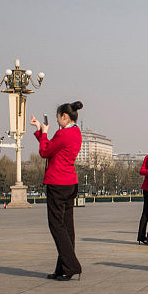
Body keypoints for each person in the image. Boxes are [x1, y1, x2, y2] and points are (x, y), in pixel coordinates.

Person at [30, 101, 84, 281]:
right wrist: (40, 130)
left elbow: (45, 151)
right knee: (67, 226)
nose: (57, 120)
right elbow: (51, 147)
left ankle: (71, 265)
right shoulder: (75, 132)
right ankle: (63, 268)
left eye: (58, 117)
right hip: (70, 182)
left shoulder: (64, 134)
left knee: (56, 225)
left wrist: (43, 133)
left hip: (58, 182)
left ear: (64, 117)